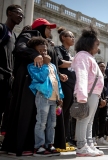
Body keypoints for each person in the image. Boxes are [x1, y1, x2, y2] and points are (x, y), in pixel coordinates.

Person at [2, 18, 68, 156]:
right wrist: (35, 55)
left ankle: (46, 144)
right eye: (48, 28)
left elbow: (51, 63)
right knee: (30, 115)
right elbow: (20, 48)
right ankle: (26, 145)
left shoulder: (47, 43)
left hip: (48, 88)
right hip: (29, 82)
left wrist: (59, 74)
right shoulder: (28, 35)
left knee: (47, 121)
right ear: (41, 27)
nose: (51, 31)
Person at [27, 37, 63, 156]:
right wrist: (45, 65)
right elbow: (41, 78)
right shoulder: (33, 65)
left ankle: (49, 144)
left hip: (53, 98)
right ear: (34, 52)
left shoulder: (52, 65)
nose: (44, 53)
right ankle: (39, 146)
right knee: (41, 122)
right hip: (43, 97)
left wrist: (60, 96)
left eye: (45, 51)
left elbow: (56, 81)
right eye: (40, 51)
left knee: (52, 124)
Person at [71, 25, 104, 157]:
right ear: (89, 44)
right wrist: (82, 96)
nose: (98, 47)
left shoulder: (89, 57)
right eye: (97, 44)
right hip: (87, 93)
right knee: (83, 119)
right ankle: (81, 146)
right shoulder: (82, 56)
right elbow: (82, 75)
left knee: (89, 120)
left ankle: (89, 144)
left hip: (94, 93)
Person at [0, 4, 23, 135]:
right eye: (17, 13)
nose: (20, 16)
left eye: (22, 15)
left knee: (3, 109)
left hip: (8, 78)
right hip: (0, 73)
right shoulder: (1, 28)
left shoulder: (15, 36)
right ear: (9, 13)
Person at [54, 27, 76, 146]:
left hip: (72, 84)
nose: (73, 38)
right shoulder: (58, 49)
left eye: (73, 37)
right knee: (61, 111)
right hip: (63, 84)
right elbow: (60, 63)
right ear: (63, 37)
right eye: (70, 36)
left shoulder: (70, 53)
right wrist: (75, 62)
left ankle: (65, 139)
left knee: (67, 113)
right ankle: (58, 140)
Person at [92, 62, 108, 145]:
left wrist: (106, 100)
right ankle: (93, 137)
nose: (103, 68)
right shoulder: (94, 76)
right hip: (96, 100)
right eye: (101, 66)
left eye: (104, 67)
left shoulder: (106, 78)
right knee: (94, 119)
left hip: (105, 102)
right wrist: (100, 100)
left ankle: (101, 137)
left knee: (103, 119)